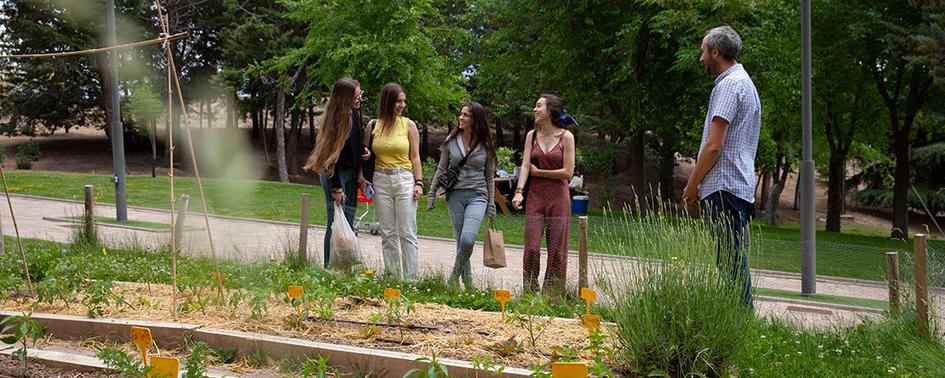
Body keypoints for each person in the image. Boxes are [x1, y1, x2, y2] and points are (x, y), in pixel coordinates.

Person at [682, 25, 761, 305]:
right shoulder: (744, 82)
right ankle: (739, 320)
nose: (701, 58)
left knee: (729, 260)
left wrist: (692, 185)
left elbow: (714, 145)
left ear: (716, 52)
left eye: (704, 51)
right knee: (732, 257)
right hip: (738, 185)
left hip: (724, 185)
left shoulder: (728, 85)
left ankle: (741, 320)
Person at [427, 102, 497, 289]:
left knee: (468, 239)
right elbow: (441, 169)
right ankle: (468, 283)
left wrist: (492, 204)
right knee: (461, 242)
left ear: (475, 120)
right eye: (461, 114)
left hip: (478, 195)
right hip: (455, 196)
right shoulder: (451, 141)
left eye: (466, 115)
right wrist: (432, 194)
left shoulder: (486, 144)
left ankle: (453, 277)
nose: (461, 118)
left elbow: (489, 176)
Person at [511, 94, 576, 295]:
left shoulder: (566, 137)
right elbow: (525, 165)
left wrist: (539, 172)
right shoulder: (532, 136)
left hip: (559, 197)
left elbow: (568, 172)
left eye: (539, 106)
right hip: (536, 197)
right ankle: (529, 292)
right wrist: (519, 191)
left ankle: (552, 295)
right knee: (531, 247)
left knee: (557, 249)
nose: (535, 109)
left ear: (550, 111)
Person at [302, 78, 370, 268]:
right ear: (345, 98)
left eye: (360, 95)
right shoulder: (339, 119)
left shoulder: (353, 114)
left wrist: (363, 150)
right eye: (357, 96)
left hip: (350, 174)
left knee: (347, 225)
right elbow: (331, 158)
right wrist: (337, 187)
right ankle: (329, 267)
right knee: (335, 225)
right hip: (336, 176)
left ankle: (343, 268)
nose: (359, 99)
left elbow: (352, 143)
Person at [364, 83, 423, 282]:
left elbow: (415, 157)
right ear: (388, 101)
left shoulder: (409, 125)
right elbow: (366, 154)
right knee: (388, 233)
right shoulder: (373, 125)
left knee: (407, 231)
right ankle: (392, 278)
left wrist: (419, 183)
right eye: (398, 101)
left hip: (404, 178)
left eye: (403, 101)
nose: (402, 105)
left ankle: (411, 280)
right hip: (380, 179)